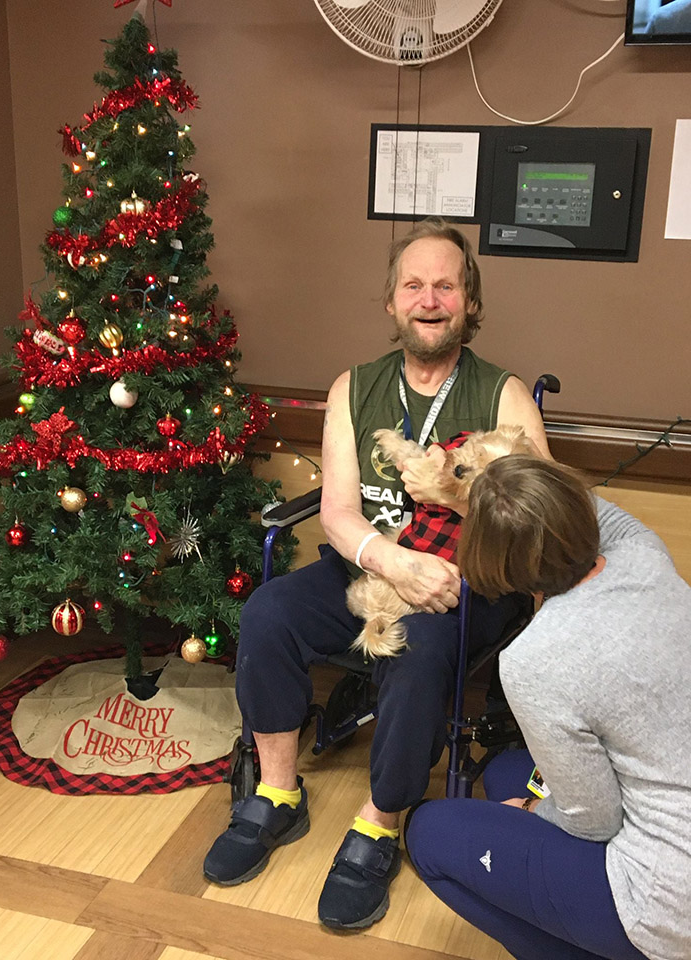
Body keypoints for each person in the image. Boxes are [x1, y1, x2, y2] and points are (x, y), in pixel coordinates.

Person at [203, 218, 551, 930]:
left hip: (466, 580)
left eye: (445, 286)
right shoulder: (353, 388)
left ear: (470, 303)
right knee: (268, 612)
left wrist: (452, 541)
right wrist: (394, 561)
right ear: (392, 303)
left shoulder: (504, 393)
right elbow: (336, 512)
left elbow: (539, 518)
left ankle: (380, 821)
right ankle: (276, 794)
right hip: (366, 566)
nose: (429, 299)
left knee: (420, 650)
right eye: (413, 285)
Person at [406, 456, 691, 960]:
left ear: (491, 558)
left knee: (429, 833)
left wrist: (535, 812)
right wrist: (507, 482)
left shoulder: (534, 660)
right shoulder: (643, 555)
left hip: (668, 900)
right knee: (510, 773)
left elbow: (593, 823)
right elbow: (597, 512)